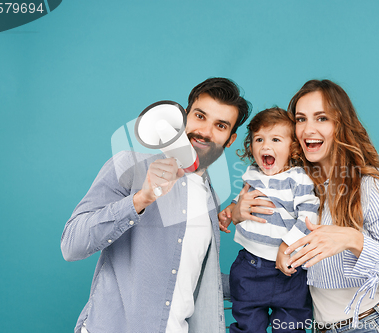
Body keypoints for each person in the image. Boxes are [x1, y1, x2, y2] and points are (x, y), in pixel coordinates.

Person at [60, 77, 252, 333]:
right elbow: (71, 245)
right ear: (183, 117)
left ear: (230, 139)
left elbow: (187, 280)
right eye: (200, 116)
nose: (205, 131)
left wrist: (270, 279)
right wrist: (141, 199)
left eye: (220, 125)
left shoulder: (210, 197)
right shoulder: (129, 165)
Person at [229, 80, 379, 333]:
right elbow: (267, 267)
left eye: (321, 118)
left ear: (340, 124)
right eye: (300, 119)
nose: (308, 129)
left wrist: (354, 239)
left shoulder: (370, 184)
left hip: (369, 325)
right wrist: (236, 212)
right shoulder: (293, 185)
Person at [219, 108, 317, 332]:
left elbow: (309, 214)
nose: (265, 146)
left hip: (289, 273)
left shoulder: (298, 178)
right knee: (247, 325)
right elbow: (244, 196)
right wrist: (231, 210)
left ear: (292, 148)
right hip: (250, 267)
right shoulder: (253, 172)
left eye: (275, 139)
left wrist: (287, 245)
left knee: (292, 326)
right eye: (258, 139)